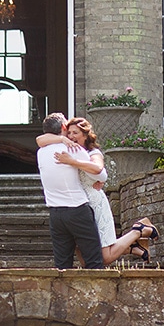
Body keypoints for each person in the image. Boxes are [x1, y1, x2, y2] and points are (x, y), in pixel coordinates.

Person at [38, 117, 160, 263]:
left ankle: (139, 230)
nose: (71, 136)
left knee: (104, 257)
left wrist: (73, 162)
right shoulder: (67, 147)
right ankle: (132, 247)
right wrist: (63, 141)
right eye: (69, 133)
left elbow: (100, 172)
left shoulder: (90, 152)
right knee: (85, 259)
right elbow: (40, 139)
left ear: (85, 135)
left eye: (75, 133)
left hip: (93, 202)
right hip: (78, 205)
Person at [36, 112, 105, 269]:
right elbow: (98, 173)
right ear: (63, 127)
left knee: (62, 265)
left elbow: (40, 141)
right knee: (93, 261)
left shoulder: (40, 153)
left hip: (55, 214)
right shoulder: (74, 149)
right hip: (77, 209)